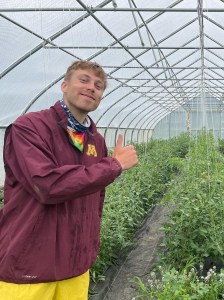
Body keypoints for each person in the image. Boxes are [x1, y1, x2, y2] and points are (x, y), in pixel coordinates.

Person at [0, 60, 138, 300]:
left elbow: (95, 199)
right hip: (30, 265)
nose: (91, 87)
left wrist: (89, 246)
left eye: (98, 85)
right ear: (64, 85)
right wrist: (113, 165)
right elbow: (47, 185)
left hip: (75, 265)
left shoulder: (95, 140)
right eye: (83, 80)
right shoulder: (29, 128)